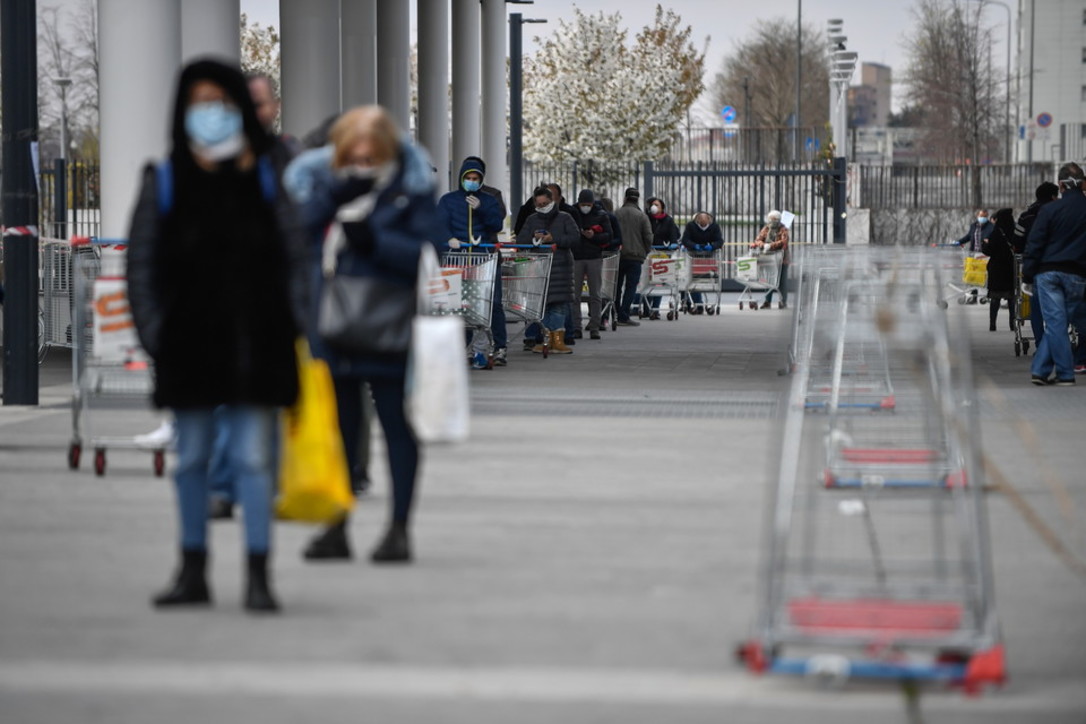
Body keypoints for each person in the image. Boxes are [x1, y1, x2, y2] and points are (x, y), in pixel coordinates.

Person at [126, 58, 308, 612]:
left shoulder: (267, 179)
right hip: (188, 347)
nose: (212, 114)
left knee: (254, 459)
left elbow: (296, 259)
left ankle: (258, 573)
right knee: (191, 459)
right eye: (200, 102)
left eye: (221, 102)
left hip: (257, 346)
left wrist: (293, 328)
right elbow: (143, 267)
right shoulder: (165, 180)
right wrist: (158, 334)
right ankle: (193, 568)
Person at [283, 105, 447, 562]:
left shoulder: (409, 191)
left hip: (387, 325)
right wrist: (334, 196)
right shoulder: (325, 189)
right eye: (352, 156)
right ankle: (337, 526)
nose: (362, 165)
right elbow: (295, 235)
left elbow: (428, 251)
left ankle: (398, 528)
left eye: (370, 156)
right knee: (339, 430)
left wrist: (374, 242)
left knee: (396, 425)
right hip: (333, 326)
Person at [207, 70, 307, 521]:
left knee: (268, 396)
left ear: (275, 108)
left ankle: (258, 482)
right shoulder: (209, 163)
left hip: (277, 299)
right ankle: (225, 485)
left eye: (260, 104)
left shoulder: (289, 160)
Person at [437, 157, 505, 369]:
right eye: (469, 178)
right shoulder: (448, 201)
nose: (472, 181)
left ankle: (487, 348)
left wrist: (481, 209)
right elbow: (439, 224)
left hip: (482, 259)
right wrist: (449, 239)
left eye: (476, 178)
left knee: (485, 304)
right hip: (455, 258)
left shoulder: (490, 200)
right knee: (454, 305)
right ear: (462, 178)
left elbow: (496, 224)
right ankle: (459, 348)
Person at [1023, 162, 1086, 386]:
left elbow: (1035, 243)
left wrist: (1027, 275)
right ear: (1083, 184)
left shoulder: (1049, 210)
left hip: (1047, 273)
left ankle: (1060, 373)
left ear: (1060, 185)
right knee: (1060, 322)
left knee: (1056, 324)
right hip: (1077, 276)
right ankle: (1043, 371)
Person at [515, 186, 578, 354]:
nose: (543, 206)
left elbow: (575, 238)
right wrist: (533, 238)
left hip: (561, 267)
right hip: (538, 267)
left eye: (546, 203)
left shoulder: (565, 218)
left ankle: (557, 340)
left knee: (558, 304)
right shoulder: (531, 219)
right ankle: (545, 339)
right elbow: (520, 240)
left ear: (553, 201)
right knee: (541, 305)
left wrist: (554, 239)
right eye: (540, 204)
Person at [1015, 182, 1061, 345]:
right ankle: (1054, 343)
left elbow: (1017, 242)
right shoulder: (1060, 214)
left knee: (1036, 308)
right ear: (1053, 196)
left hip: (1035, 266)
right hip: (1058, 264)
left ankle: (1040, 344)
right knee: (1056, 308)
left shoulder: (1026, 216)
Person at [569, 189, 613, 340]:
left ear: (593, 203)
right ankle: (576, 326)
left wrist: (594, 236)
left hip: (594, 256)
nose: (585, 207)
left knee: (595, 293)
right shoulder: (573, 213)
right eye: (583, 204)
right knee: (575, 295)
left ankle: (595, 326)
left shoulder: (601, 214)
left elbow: (609, 235)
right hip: (576, 257)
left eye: (588, 204)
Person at [614, 187, 652, 326]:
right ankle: (624, 315)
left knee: (616, 286)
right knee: (631, 287)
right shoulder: (641, 216)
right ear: (637, 199)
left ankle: (615, 313)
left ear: (625, 198)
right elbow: (648, 237)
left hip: (618, 255)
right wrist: (645, 251)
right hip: (635, 257)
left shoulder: (617, 213)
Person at [679, 211, 724, 313]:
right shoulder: (691, 226)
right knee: (693, 279)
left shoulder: (714, 227)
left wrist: (712, 246)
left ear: (709, 220)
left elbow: (719, 241)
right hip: (693, 256)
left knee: (701, 279)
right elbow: (685, 239)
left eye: (705, 221)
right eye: (701, 221)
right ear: (697, 220)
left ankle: (698, 303)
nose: (703, 223)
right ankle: (696, 303)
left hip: (708, 258)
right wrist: (694, 246)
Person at [645, 197, 680, 318]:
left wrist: (673, 243)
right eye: (652, 205)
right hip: (648, 254)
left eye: (657, 205)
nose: (654, 207)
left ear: (662, 208)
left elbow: (674, 234)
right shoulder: (647, 219)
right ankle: (646, 307)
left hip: (662, 254)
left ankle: (655, 308)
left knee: (658, 280)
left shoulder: (668, 220)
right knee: (646, 281)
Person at [983, 208, 1017, 332]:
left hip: (996, 269)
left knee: (995, 298)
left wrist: (984, 244)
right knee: (1011, 299)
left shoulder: (996, 232)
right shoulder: (1014, 231)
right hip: (1010, 268)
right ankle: (1013, 324)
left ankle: (993, 324)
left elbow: (988, 250)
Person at [752, 210, 790, 309]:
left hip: (781, 259)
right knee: (768, 280)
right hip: (768, 258)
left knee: (782, 281)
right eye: (770, 219)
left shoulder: (783, 229)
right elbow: (758, 239)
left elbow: (784, 241)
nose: (772, 221)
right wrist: (763, 244)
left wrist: (771, 245)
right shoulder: (766, 228)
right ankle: (767, 302)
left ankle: (782, 301)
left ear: (778, 219)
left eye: (774, 219)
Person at [957, 209, 995, 304]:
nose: (983, 218)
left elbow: (993, 238)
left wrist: (988, 241)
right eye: (981, 216)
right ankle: (973, 297)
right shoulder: (973, 226)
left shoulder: (991, 227)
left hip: (984, 254)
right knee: (973, 276)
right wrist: (959, 242)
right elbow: (968, 237)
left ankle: (988, 295)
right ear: (977, 216)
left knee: (984, 276)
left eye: (985, 216)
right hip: (974, 254)